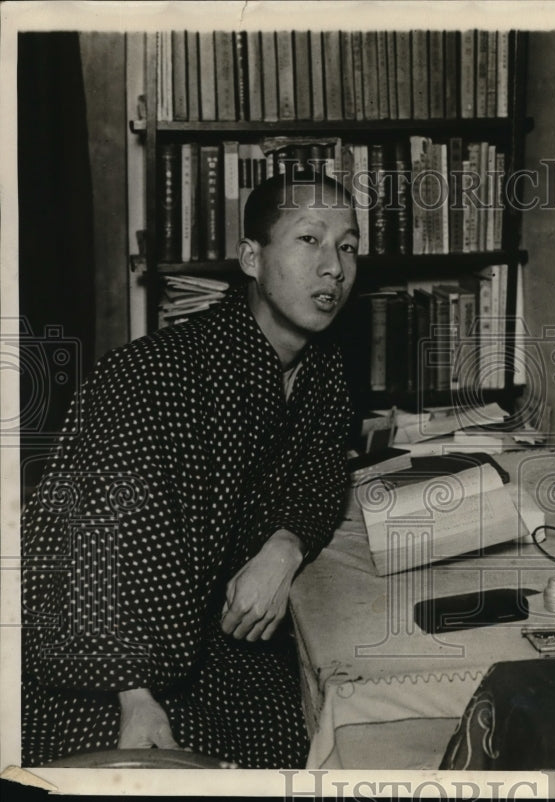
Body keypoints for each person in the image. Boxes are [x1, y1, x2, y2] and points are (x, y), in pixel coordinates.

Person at [21, 169, 359, 768]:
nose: (334, 266)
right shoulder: (153, 378)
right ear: (251, 258)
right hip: (113, 669)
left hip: (232, 650)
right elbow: (87, 550)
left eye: (348, 246)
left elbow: (325, 467)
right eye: (309, 240)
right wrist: (135, 696)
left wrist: (285, 545)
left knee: (326, 742)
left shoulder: (323, 371)